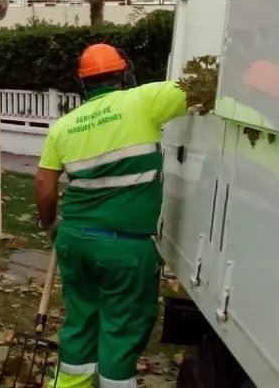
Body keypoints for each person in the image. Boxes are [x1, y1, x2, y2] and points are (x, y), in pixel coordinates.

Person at [34, 43, 187, 388]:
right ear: (123, 75)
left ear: (83, 85)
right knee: (121, 330)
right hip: (125, 248)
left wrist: (51, 226)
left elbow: (44, 186)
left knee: (81, 321)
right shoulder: (143, 101)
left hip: (75, 241)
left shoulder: (64, 126)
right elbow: (200, 86)